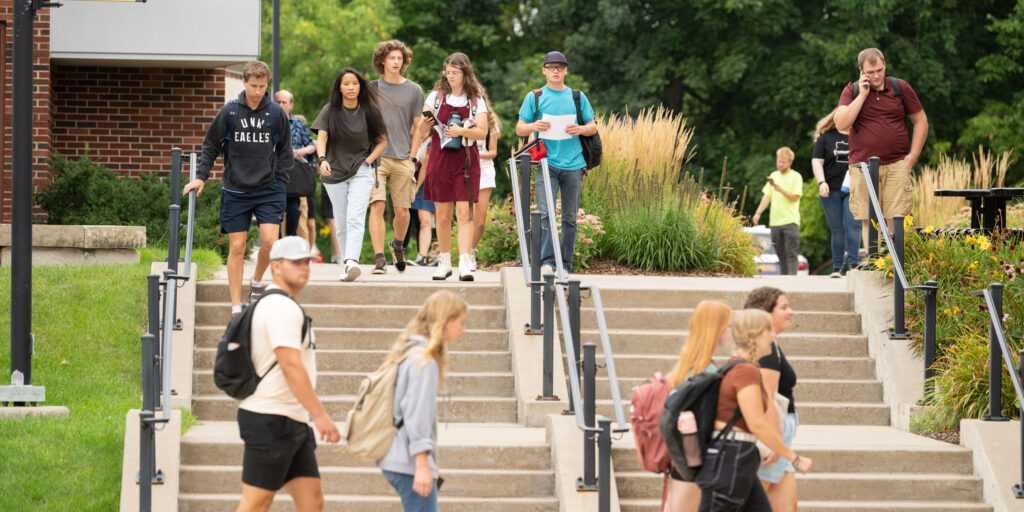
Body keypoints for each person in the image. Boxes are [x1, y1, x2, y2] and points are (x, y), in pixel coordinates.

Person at [235, 235, 340, 512]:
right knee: (256, 504)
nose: (304, 268)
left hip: (292, 418)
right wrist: (320, 415)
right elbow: (290, 364)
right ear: (276, 267)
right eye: (296, 263)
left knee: (312, 501)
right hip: (269, 419)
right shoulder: (279, 307)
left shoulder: (285, 304)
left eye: (307, 262)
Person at [183, 60, 293, 316]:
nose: (257, 91)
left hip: (268, 188)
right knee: (237, 246)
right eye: (253, 85)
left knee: (270, 241)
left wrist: (281, 182)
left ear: (267, 85)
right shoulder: (230, 112)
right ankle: (235, 306)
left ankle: (256, 282)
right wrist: (201, 176)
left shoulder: (276, 114)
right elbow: (211, 145)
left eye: (262, 86)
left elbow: (286, 151)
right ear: (243, 83)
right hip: (235, 189)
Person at [699, 309, 811, 511]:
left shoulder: (734, 366)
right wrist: (793, 457)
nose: (773, 335)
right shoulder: (745, 371)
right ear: (756, 334)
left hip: (738, 457)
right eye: (768, 330)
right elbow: (757, 423)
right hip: (732, 457)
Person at [378, 290, 468, 511]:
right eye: (461, 322)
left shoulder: (410, 351)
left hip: (399, 456)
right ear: (445, 321)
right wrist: (422, 464)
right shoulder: (423, 362)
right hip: (408, 462)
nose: (463, 329)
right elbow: (416, 414)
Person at [515, 51, 597, 274]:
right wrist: (534, 126)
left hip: (574, 165)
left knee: (570, 218)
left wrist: (580, 129)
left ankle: (566, 265)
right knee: (545, 214)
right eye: (551, 67)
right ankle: (549, 263)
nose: (556, 71)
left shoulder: (577, 96)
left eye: (560, 67)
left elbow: (593, 126)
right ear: (544, 70)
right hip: (546, 164)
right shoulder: (536, 96)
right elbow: (520, 127)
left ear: (566, 71)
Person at [834, 47, 928, 242]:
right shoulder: (851, 90)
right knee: (869, 219)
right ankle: (874, 266)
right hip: (863, 167)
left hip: (896, 163)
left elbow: (921, 121)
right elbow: (841, 123)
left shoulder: (900, 87)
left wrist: (913, 156)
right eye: (870, 72)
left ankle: (895, 266)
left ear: (884, 65)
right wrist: (862, 95)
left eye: (879, 70)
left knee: (897, 218)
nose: (876, 76)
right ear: (861, 71)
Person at [312, 68, 388, 282]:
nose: (351, 87)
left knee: (356, 217)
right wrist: (322, 159)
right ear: (339, 88)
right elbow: (322, 139)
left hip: (360, 170)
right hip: (334, 171)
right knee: (342, 220)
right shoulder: (330, 111)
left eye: (354, 83)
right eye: (346, 84)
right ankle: (347, 262)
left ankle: (351, 262)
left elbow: (382, 141)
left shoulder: (369, 111)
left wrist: (368, 162)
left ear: (360, 86)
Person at [420, 52, 489, 281]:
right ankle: (444, 261)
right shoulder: (435, 97)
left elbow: (482, 132)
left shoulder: (475, 99)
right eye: (447, 72)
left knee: (464, 212)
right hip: (440, 160)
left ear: (465, 73)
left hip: (466, 160)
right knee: (442, 215)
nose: (450, 77)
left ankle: (465, 262)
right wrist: (425, 123)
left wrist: (461, 131)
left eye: (455, 73)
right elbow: (421, 132)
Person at [662, 301, 733, 512]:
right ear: (716, 329)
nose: (730, 331)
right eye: (728, 326)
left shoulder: (687, 366)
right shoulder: (706, 373)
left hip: (683, 457)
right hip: (693, 459)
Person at [368, 40, 426, 275]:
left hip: (403, 158)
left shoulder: (414, 90)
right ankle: (379, 258)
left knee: (403, 212)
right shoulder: (371, 89)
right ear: (382, 60)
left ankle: (397, 245)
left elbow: (419, 128)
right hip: (377, 158)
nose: (396, 62)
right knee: (377, 205)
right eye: (391, 58)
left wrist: (413, 157)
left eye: (399, 59)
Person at [744, 287, 799, 512]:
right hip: (774, 434)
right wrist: (774, 443)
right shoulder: (765, 348)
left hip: (781, 433)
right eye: (784, 307)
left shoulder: (769, 345)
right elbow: (763, 397)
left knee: (787, 507)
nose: (791, 312)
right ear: (766, 313)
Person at [812, 109, 860, 277]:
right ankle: (837, 268)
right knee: (837, 229)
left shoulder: (859, 135)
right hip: (830, 190)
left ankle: (854, 265)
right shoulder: (826, 138)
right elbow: (817, 161)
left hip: (854, 189)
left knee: (853, 225)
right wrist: (821, 182)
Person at [274, 90, 318, 242]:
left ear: (291, 105)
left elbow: (311, 145)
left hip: (294, 176)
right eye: (278, 102)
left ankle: (290, 243)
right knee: (275, 211)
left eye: (284, 102)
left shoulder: (299, 124)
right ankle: (277, 245)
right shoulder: (269, 122)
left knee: (293, 210)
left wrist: (301, 151)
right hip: (273, 174)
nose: (280, 105)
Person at [752, 147, 802, 276]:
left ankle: (792, 278)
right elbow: (766, 197)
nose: (780, 164)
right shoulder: (774, 176)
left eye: (783, 162)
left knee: (791, 252)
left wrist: (778, 188)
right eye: (779, 161)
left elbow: (795, 197)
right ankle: (785, 278)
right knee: (780, 252)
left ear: (790, 162)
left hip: (790, 221)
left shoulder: (796, 177)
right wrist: (758, 213)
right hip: (775, 222)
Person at [468, 94, 501, 271]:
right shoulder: (462, 118)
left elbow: (493, 152)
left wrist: (476, 155)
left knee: (480, 220)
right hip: (465, 171)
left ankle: (471, 251)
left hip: (485, 170)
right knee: (466, 216)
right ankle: (464, 255)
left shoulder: (490, 122)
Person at [408, 139, 436, 266]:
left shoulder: (431, 142)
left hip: (431, 184)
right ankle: (423, 256)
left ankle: (438, 256)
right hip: (432, 184)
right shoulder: (426, 141)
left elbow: (426, 166)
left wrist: (417, 187)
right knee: (426, 222)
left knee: (432, 222)